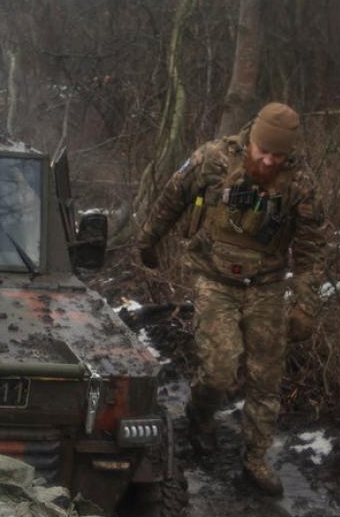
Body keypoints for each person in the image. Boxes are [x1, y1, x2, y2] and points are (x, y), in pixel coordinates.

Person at [135, 102, 326, 496]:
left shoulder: (299, 183)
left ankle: (255, 457)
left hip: (266, 286)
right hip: (214, 279)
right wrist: (148, 241)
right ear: (251, 139)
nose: (270, 161)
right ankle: (199, 416)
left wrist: (306, 305)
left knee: (265, 377)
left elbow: (311, 250)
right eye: (264, 151)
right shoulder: (213, 159)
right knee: (220, 369)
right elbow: (173, 197)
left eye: (279, 155)